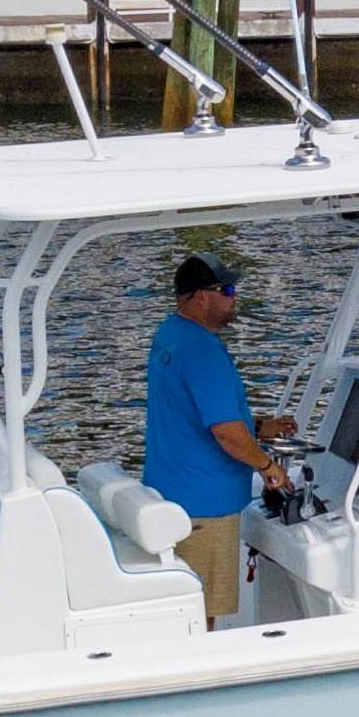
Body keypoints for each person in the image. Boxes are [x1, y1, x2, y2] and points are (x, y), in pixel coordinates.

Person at [144, 255, 286, 623]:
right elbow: (226, 434)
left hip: (171, 490)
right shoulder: (203, 352)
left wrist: (257, 428)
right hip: (205, 504)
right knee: (201, 612)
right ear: (201, 297)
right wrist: (269, 466)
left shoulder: (169, 335)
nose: (234, 297)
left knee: (191, 606)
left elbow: (189, 414)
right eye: (227, 289)